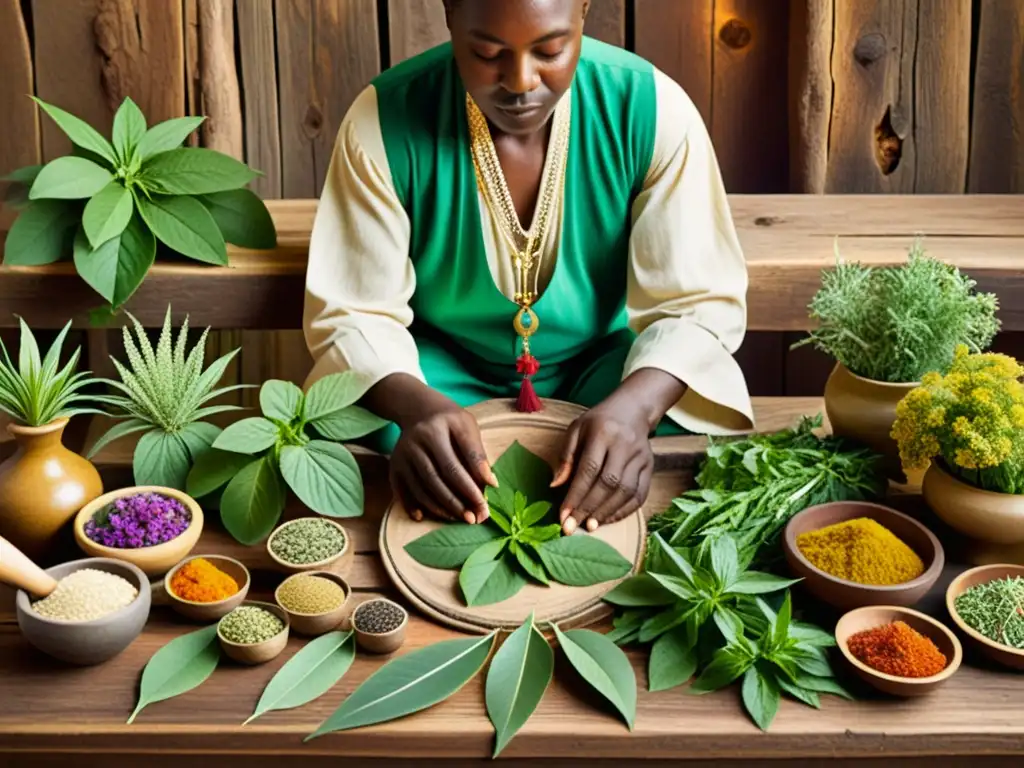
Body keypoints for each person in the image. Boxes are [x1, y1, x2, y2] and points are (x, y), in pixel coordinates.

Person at [302, 0, 754, 536]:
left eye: (550, 50)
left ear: (585, 10)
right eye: (487, 52)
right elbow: (355, 311)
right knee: (370, 422)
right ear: (448, 14)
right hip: (438, 376)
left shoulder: (652, 109)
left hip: (600, 376)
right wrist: (415, 410)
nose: (520, 82)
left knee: (669, 399)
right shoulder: (383, 120)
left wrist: (635, 409)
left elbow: (697, 301)